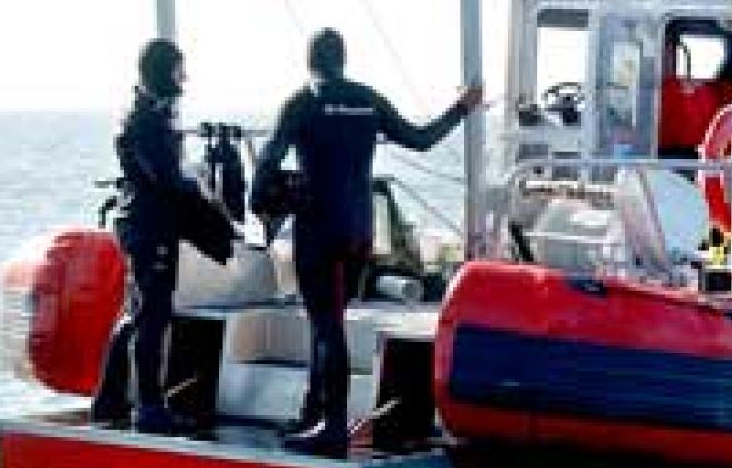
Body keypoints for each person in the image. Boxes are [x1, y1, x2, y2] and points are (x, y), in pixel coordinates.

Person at [252, 28, 481, 459]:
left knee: (326, 327)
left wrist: (261, 199)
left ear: (310, 61)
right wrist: (462, 108)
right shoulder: (367, 98)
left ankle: (332, 427)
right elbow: (420, 139)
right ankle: (312, 414)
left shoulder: (302, 101)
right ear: (344, 59)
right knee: (332, 320)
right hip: (358, 230)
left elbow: (269, 159)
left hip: (319, 228)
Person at [91, 38, 232, 434]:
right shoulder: (144, 120)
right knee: (152, 315)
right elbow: (167, 178)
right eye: (177, 69)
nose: (184, 77)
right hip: (149, 225)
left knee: (137, 313)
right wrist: (204, 195)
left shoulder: (148, 113)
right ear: (160, 71)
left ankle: (109, 400)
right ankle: (149, 407)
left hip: (145, 222)